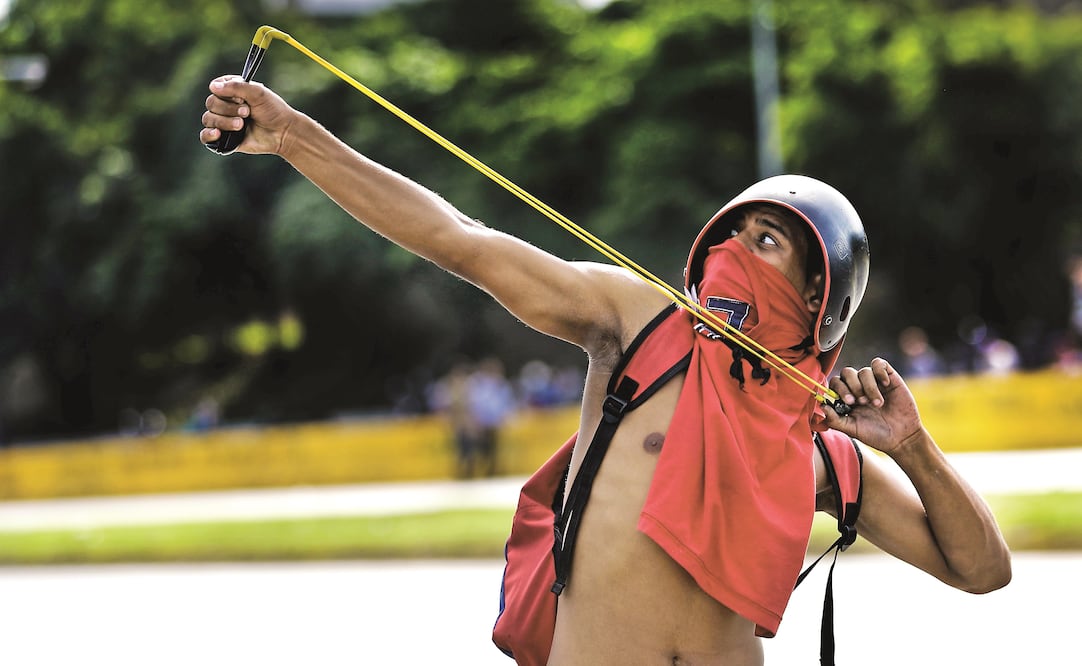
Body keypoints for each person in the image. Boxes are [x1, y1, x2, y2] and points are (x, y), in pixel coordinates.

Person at [201, 76, 1011, 665]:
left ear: (817, 292)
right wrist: (293, 138)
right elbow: (460, 240)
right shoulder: (639, 324)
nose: (730, 255)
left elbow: (983, 572)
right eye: (728, 237)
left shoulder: (823, 453)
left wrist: (913, 449)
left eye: (765, 242)